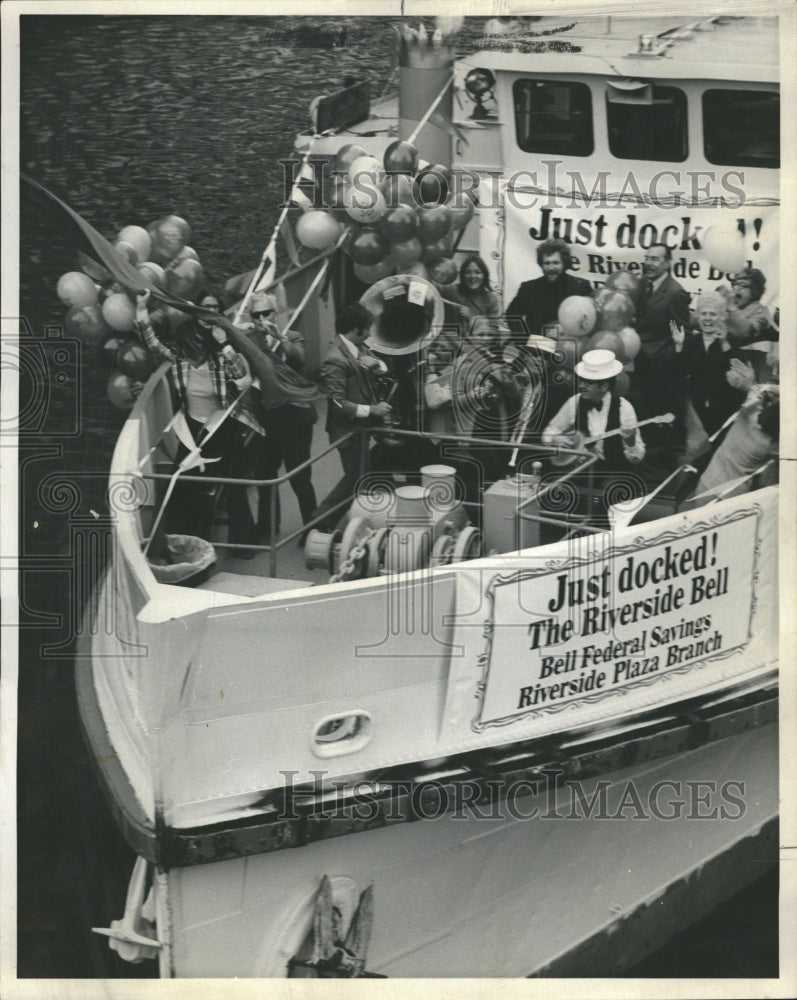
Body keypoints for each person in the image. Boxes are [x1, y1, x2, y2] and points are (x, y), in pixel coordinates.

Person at [134, 288, 263, 552]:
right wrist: (141, 307)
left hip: (223, 425)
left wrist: (225, 345)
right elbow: (151, 341)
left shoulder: (220, 356)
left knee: (234, 484)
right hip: (192, 427)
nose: (192, 353)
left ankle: (244, 545)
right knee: (180, 483)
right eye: (188, 346)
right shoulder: (180, 360)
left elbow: (242, 379)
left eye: (196, 347)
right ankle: (178, 542)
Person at [311, 304, 392, 529]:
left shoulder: (356, 346)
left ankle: (323, 522)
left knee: (358, 478)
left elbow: (380, 365)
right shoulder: (334, 358)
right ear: (356, 329)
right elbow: (337, 403)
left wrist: (377, 366)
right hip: (348, 430)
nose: (369, 334)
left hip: (361, 428)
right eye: (367, 329)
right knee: (355, 481)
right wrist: (372, 410)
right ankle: (318, 522)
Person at [244, 290, 317, 538]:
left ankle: (312, 526)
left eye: (267, 313)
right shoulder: (250, 342)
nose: (263, 318)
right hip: (266, 418)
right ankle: (266, 526)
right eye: (257, 315)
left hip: (295, 418)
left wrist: (280, 338)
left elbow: (299, 359)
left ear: (276, 313)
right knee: (264, 474)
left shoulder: (294, 337)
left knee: (299, 477)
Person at [633, 243, 691, 467]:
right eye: (647, 257)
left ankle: (663, 464)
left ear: (667, 263)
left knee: (662, 414)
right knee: (646, 411)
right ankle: (646, 458)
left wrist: (665, 359)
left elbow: (680, 334)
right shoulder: (641, 286)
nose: (648, 263)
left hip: (663, 368)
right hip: (642, 363)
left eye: (654, 259)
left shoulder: (676, 293)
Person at [451, 317, 526, 487]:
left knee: (496, 478)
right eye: (481, 334)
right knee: (495, 475)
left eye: (489, 335)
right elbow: (455, 402)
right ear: (470, 337)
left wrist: (509, 380)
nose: (486, 339)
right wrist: (473, 395)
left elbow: (515, 397)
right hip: (473, 434)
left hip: (500, 431)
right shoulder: (460, 364)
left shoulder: (500, 360)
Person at [670, 290, 746, 448]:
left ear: (721, 316)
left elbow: (737, 372)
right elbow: (678, 372)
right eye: (704, 313)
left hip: (725, 410)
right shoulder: (693, 341)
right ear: (698, 315)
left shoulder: (731, 340)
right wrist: (679, 346)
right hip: (697, 412)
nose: (707, 318)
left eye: (713, 314)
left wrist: (724, 343)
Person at [690, 384, 778, 502]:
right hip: (734, 494)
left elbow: (756, 388)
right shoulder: (772, 446)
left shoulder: (748, 415)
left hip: (708, 483)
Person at [505, 237, 591, 342]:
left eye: (555, 263)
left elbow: (591, 319)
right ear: (541, 264)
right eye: (547, 263)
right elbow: (511, 316)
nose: (551, 268)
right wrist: (524, 341)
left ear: (564, 263)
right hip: (537, 351)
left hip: (572, 350)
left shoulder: (581, 286)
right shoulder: (528, 288)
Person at [441, 255, 501, 334]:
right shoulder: (452, 290)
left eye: (477, 272)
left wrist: (472, 318)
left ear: (484, 275)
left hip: (478, 345)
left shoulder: (491, 300)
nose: (472, 276)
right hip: (452, 343)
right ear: (463, 275)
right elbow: (433, 287)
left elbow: (493, 332)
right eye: (468, 272)